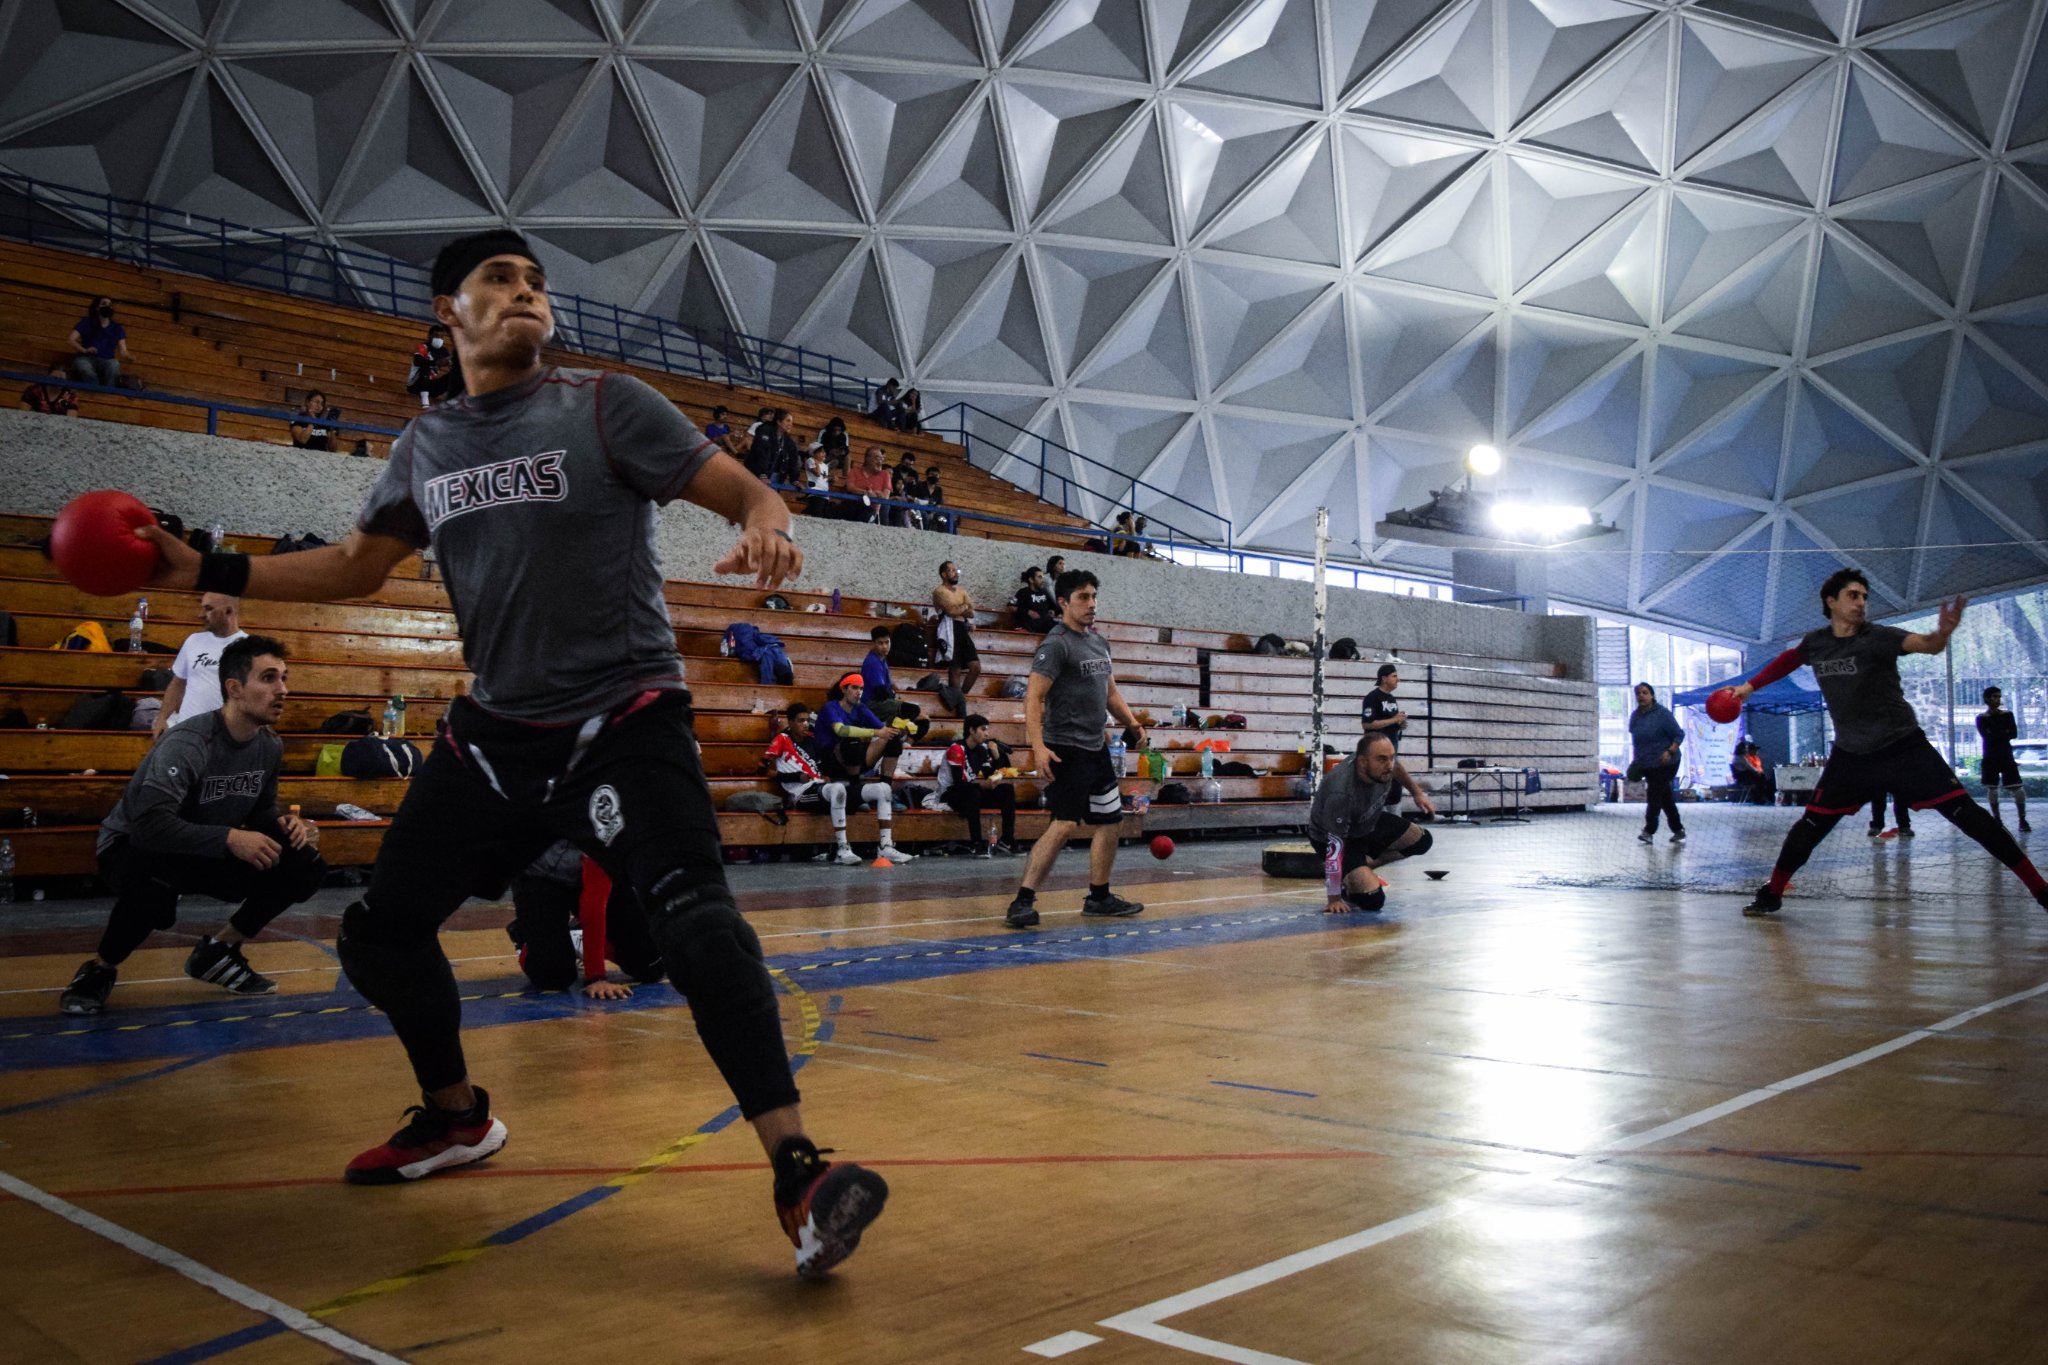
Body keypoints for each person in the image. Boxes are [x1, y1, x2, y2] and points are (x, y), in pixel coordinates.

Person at [124, 228, 887, 1276]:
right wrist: (203, 566)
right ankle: (454, 1118)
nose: (526, 293)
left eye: (536, 282)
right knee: (380, 936)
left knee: (699, 920)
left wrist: (767, 521)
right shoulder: (425, 448)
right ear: (450, 311)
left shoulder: (607, 406)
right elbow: (355, 566)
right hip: (492, 738)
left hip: (623, 719)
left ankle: (796, 1169)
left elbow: (746, 490)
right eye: (500, 280)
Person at [1732, 570, 2048, 918]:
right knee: (1810, 826)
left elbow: (1925, 645)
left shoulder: (1877, 637)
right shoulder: (1816, 643)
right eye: (1854, 595)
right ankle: (1773, 892)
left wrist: (1941, 633)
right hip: (1851, 754)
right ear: (1831, 601)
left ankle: (2041, 889)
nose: (1862, 603)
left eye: (1865, 597)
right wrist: (1748, 688)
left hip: (1903, 747)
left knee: (1969, 817)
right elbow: (1786, 661)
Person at [59, 636, 326, 1015]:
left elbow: (262, 806)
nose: (282, 689)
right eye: (268, 678)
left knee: (303, 864)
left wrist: (284, 821)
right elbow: (149, 826)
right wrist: (231, 837)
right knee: (154, 888)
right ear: (234, 688)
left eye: (284, 677)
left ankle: (218, 951)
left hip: (203, 846)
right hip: (133, 847)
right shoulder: (188, 742)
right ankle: (99, 970)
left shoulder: (269, 744)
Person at [1005, 570, 1145, 928]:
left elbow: (1110, 693)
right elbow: (1034, 698)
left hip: (1095, 749)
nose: (1092, 604)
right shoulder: (1055, 645)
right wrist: (1037, 747)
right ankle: (1022, 901)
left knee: (1111, 821)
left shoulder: (1099, 643)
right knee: (1065, 824)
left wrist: (1132, 724)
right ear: (1064, 603)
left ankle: (1099, 898)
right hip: (1064, 748)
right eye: (1083, 597)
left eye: (1094, 596)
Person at [507, 843, 664, 1000]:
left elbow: (594, 902)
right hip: (539, 877)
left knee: (651, 967)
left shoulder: (598, 829)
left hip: (594, 873)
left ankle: (578, 939)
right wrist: (596, 978)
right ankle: (524, 937)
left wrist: (596, 976)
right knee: (554, 976)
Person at [1307, 734, 1438, 913]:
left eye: (1391, 758)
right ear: (1362, 762)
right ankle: (1349, 880)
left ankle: (1362, 867)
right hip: (1338, 839)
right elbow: (1334, 847)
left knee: (1422, 840)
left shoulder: (1385, 767)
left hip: (1367, 822)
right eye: (1382, 759)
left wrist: (1417, 792)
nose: (1389, 765)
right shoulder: (1340, 793)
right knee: (1373, 901)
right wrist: (1334, 898)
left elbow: (1397, 767)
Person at [765, 703, 893, 866]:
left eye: (806, 720)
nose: (805, 724)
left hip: (820, 789)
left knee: (883, 789)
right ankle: (842, 849)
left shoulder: (812, 741)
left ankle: (886, 846)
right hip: (801, 795)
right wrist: (796, 776)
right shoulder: (782, 739)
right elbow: (765, 771)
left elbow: (818, 768)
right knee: (838, 789)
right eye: (800, 721)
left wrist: (824, 776)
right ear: (790, 722)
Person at [813, 674, 916, 864]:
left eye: (861, 688)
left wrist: (896, 729)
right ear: (843, 689)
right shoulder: (831, 707)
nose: (859, 692)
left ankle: (885, 788)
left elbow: (881, 728)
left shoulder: (860, 708)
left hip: (853, 760)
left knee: (891, 740)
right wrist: (877, 732)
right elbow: (840, 730)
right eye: (854, 688)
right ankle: (855, 786)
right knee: (850, 740)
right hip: (830, 761)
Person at [155, 592, 247, 740]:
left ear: (228, 611)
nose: (200, 614)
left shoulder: (247, 646)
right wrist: (162, 718)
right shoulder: (193, 641)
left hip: (227, 733)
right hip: (189, 730)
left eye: (208, 609)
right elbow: (178, 683)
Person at [939, 714, 1018, 857]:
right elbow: (958, 782)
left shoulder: (981, 749)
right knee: (973, 792)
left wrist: (995, 755)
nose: (987, 733)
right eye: (983, 729)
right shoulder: (956, 749)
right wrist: (983, 786)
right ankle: (976, 843)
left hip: (971, 790)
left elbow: (990, 774)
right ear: (971, 730)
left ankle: (1007, 840)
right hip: (951, 794)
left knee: (1006, 790)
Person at [1627, 682, 1685, 844]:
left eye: (1645, 693)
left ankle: (1648, 831)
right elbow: (1636, 741)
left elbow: (1679, 735)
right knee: (1664, 796)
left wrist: (1669, 751)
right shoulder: (1635, 716)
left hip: (1667, 762)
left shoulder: (1663, 714)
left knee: (1654, 794)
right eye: (1638, 693)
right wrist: (1636, 760)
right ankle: (1678, 830)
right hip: (1647, 763)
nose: (1641, 696)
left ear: (1652, 695)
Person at [1977, 686, 2029, 832]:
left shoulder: (2006, 715)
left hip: (2004, 755)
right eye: (1994, 696)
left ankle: (2022, 819)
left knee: (2017, 789)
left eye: (1999, 697)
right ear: (1987, 699)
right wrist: (2002, 732)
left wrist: (1996, 733)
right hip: (1993, 756)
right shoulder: (1982, 718)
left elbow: (2012, 733)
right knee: (1992, 789)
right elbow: (1991, 735)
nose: (1998, 700)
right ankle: (1997, 819)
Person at [932, 560, 980, 712]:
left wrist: (962, 608)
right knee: (955, 669)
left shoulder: (962, 591)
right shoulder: (939, 591)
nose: (955, 573)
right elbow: (951, 611)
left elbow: (972, 611)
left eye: (955, 570)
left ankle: (960, 698)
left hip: (962, 628)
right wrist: (964, 607)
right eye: (951, 570)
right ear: (943, 574)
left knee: (975, 667)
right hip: (949, 629)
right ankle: (960, 707)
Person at [67, 294, 131, 387]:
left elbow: (123, 351)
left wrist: (129, 357)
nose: (107, 306)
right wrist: (84, 350)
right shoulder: (87, 322)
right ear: (97, 308)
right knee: (82, 364)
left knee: (114, 364)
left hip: (107, 360)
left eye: (109, 304)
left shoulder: (117, 328)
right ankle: (94, 389)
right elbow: (70, 339)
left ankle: (108, 393)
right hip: (87, 358)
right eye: (104, 303)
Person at [405, 323, 461, 405]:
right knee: (425, 368)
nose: (439, 339)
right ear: (429, 336)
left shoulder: (444, 351)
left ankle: (454, 401)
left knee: (455, 375)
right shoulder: (423, 347)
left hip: (430, 386)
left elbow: (452, 365)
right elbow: (417, 360)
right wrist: (436, 362)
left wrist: (451, 363)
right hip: (415, 385)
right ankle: (424, 399)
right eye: (436, 336)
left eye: (441, 337)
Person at [1361, 663, 1406, 749]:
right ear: (1384, 679)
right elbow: (1367, 724)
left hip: (1391, 746)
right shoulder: (1372, 697)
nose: (1398, 679)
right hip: (1376, 748)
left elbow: (1391, 721)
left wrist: (1400, 723)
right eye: (1394, 676)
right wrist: (1394, 720)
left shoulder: (1391, 698)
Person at [846, 444, 892, 523]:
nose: (880, 461)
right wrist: (866, 493)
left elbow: (885, 496)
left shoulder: (885, 474)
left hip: (871, 508)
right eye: (877, 458)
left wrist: (875, 494)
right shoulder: (855, 471)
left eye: (882, 458)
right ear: (867, 459)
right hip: (852, 505)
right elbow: (850, 487)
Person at [1012, 566, 1057, 633]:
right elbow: (1010, 607)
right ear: (1031, 580)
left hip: (1044, 626)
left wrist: (1052, 611)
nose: (1043, 580)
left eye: (1043, 577)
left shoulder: (1045, 593)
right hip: (1028, 627)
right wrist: (1027, 612)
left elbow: (1052, 608)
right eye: (1039, 577)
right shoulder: (1022, 592)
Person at [1731, 741, 1776, 805]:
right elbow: (1749, 767)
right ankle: (1761, 797)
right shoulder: (1742, 758)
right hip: (1745, 777)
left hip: (1744, 776)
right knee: (1762, 779)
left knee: (1762, 779)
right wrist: (1757, 771)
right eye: (1745, 748)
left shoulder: (1736, 757)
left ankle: (1762, 796)